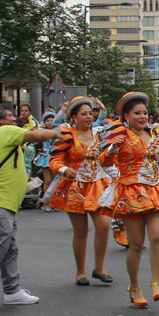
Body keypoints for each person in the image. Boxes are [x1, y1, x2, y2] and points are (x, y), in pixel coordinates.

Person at [0, 104, 61, 312]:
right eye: (9, 115)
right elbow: (36, 135)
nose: (14, 118)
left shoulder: (0, 134)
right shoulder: (4, 131)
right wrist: (55, 132)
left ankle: (12, 290)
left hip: (4, 202)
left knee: (9, 247)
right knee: (0, 244)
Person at [98, 92, 159, 307]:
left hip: (156, 190)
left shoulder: (157, 134)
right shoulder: (120, 135)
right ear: (126, 116)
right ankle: (134, 286)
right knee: (136, 244)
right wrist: (113, 148)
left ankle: (155, 282)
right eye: (137, 113)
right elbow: (104, 162)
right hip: (131, 192)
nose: (143, 117)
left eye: (145, 113)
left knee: (157, 236)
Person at [48, 97, 114, 286]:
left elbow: (104, 158)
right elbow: (55, 160)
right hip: (75, 187)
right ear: (74, 117)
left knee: (103, 226)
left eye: (90, 113)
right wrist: (64, 170)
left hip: (97, 185)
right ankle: (80, 272)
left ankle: (99, 268)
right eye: (83, 114)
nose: (88, 117)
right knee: (81, 231)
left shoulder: (99, 134)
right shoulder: (67, 135)